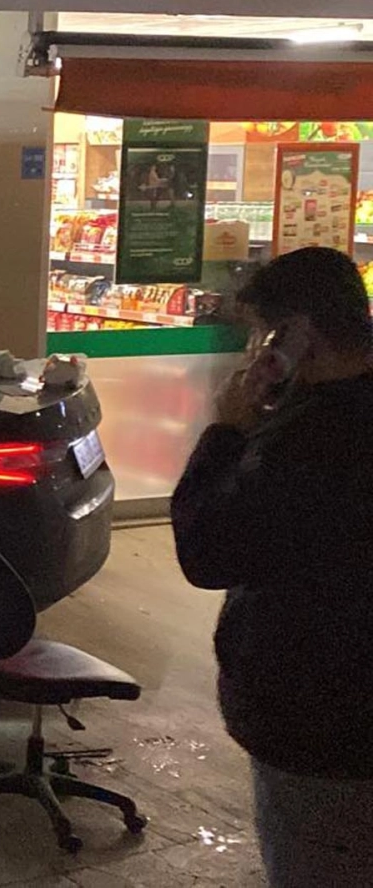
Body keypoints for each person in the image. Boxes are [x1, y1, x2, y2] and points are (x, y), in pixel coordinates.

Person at [172, 247, 373, 886]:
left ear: (297, 334)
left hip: (318, 719)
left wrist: (226, 434)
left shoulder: (308, 443)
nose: (254, 351)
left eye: (262, 334)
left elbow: (208, 553)